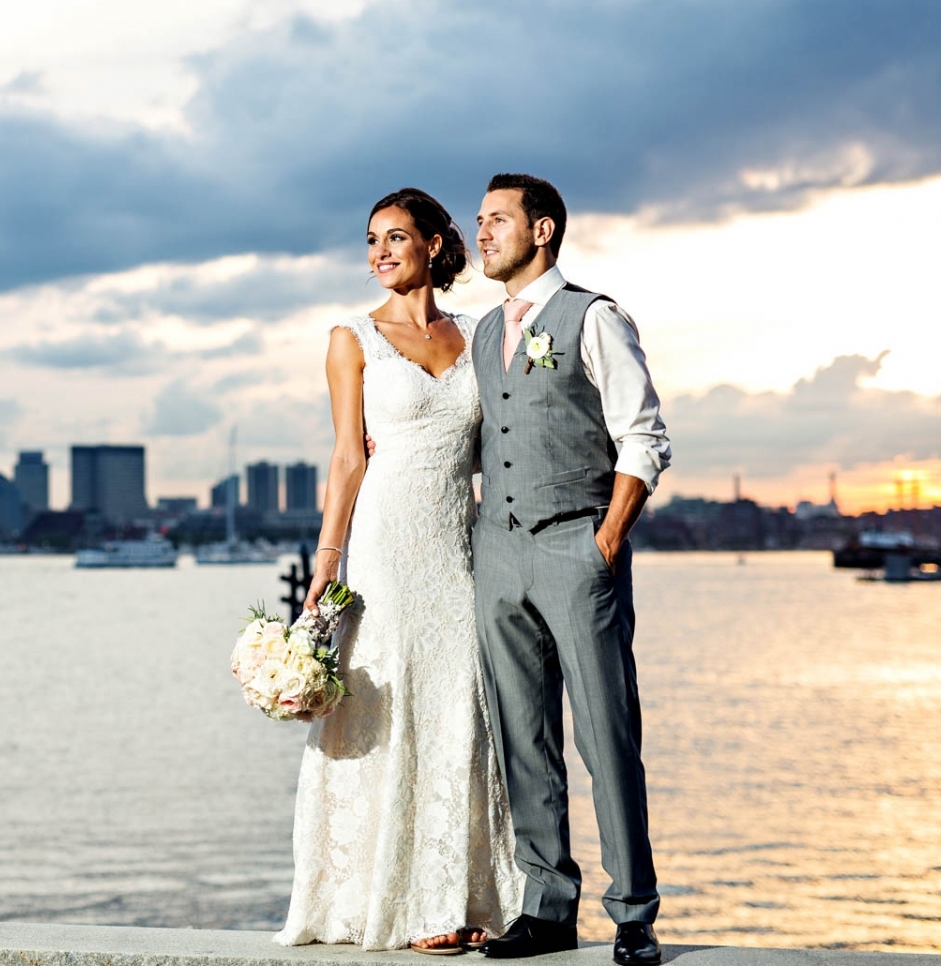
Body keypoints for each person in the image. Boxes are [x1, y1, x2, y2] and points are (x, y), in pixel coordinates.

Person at [278, 187, 524, 953]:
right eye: (371, 240)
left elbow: (504, 442)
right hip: (384, 543)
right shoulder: (351, 338)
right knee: (385, 704)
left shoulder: (484, 335)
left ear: (434, 244)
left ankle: (457, 897)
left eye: (395, 238)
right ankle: (388, 898)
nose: (380, 252)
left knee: (460, 707)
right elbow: (348, 457)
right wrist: (327, 558)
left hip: (458, 543)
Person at [467, 174, 670, 966]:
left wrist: (608, 539)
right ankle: (547, 907)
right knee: (523, 734)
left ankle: (633, 913)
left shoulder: (595, 317)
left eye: (497, 220)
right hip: (499, 551)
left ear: (542, 230)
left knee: (606, 733)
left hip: (576, 546)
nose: (482, 233)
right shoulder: (486, 331)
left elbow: (644, 437)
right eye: (479, 221)